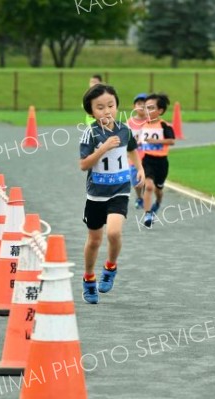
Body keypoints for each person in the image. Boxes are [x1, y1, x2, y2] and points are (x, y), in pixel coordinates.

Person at [79, 83, 145, 304]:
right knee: (95, 240)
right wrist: (104, 148)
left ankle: (110, 267)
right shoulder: (90, 134)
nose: (106, 111)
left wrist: (140, 169)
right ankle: (88, 279)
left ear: (117, 105)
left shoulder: (124, 130)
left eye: (111, 105)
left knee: (114, 233)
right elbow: (83, 164)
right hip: (96, 194)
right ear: (91, 112)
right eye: (100, 107)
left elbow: (132, 149)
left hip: (119, 190)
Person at [140, 93, 176, 228]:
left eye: (151, 108)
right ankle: (147, 214)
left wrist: (156, 141)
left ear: (160, 110)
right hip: (147, 160)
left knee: (158, 189)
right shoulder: (143, 125)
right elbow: (139, 140)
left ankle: (158, 202)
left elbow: (172, 141)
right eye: (146, 108)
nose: (147, 111)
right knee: (149, 186)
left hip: (161, 162)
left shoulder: (164, 125)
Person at [127, 93, 147, 209]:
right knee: (136, 180)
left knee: (147, 179)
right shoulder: (130, 122)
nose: (142, 106)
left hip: (148, 155)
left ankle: (146, 196)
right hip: (134, 157)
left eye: (145, 104)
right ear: (134, 106)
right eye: (139, 104)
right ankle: (139, 196)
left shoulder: (152, 121)